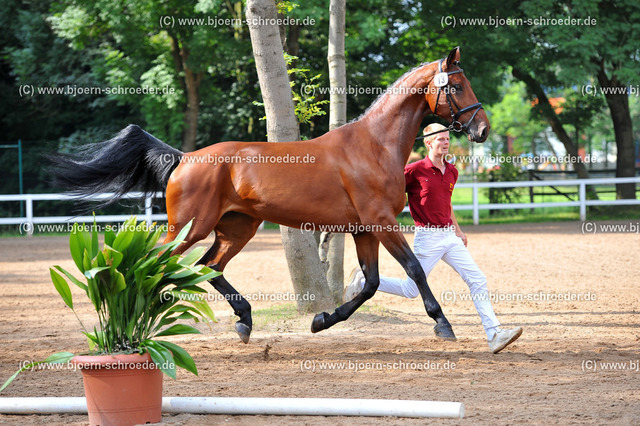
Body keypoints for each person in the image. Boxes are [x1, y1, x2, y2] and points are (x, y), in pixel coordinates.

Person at [343, 123, 523, 354]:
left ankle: (494, 334)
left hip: (449, 236)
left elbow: (446, 203)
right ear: (428, 142)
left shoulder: (452, 171)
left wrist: (458, 230)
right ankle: (361, 281)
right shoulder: (413, 171)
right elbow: (386, 191)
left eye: (448, 138)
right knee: (411, 290)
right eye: (441, 139)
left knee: (477, 278)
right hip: (427, 238)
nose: (446, 142)